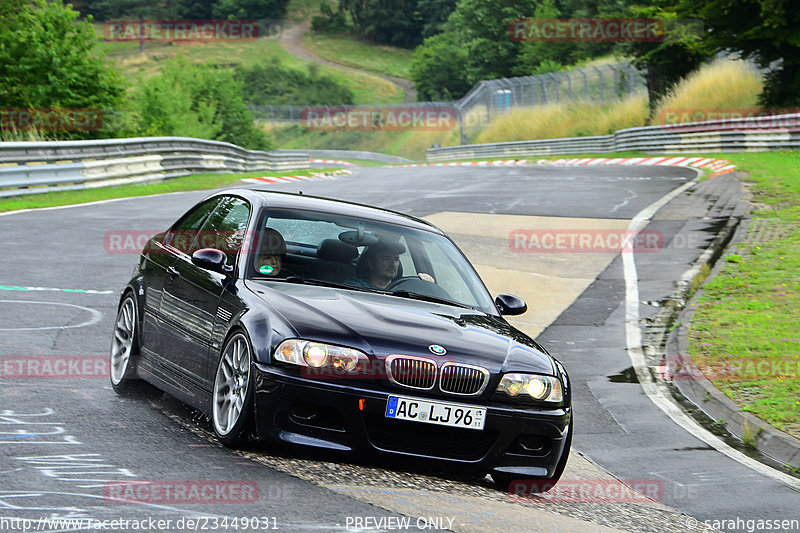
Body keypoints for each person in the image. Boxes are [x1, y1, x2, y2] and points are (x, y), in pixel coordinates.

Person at [352, 239, 434, 289]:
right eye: (386, 259)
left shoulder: (405, 288)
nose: (393, 264)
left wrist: (426, 283)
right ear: (371, 263)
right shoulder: (355, 288)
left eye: (396, 259)